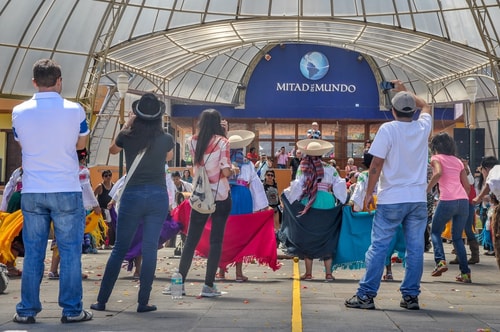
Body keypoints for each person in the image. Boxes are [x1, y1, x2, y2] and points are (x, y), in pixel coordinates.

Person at [11, 58, 93, 324]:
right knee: (69, 252)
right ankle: (71, 310)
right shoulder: (75, 110)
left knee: (34, 252)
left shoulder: (19, 111)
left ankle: (26, 310)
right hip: (66, 188)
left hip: (33, 190)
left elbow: (22, 144)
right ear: (59, 81)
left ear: (34, 82)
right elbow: (81, 144)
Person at [345, 81, 432, 310]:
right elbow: (427, 106)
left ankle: (366, 295)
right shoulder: (423, 127)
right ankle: (411, 296)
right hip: (417, 199)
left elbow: (376, 164)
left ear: (393, 111)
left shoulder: (388, 129)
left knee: (379, 247)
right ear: (413, 110)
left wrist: (367, 194)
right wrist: (405, 91)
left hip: (391, 198)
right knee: (414, 249)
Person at [90, 93, 174, 313]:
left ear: (137, 114)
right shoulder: (165, 138)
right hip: (157, 196)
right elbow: (168, 157)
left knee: (119, 248)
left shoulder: (127, 135)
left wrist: (127, 124)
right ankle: (143, 302)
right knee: (150, 249)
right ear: (157, 116)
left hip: (133, 196)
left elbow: (112, 150)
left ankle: (102, 300)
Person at [168, 108, 234, 297]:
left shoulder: (192, 141)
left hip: (199, 196)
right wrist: (225, 136)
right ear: (218, 123)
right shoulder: (223, 142)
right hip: (220, 196)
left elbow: (196, 166)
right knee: (216, 241)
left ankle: (179, 283)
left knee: (191, 240)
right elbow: (226, 171)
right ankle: (208, 285)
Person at [281, 139, 348, 282]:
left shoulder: (303, 167)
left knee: (308, 234)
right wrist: (342, 200)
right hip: (326, 200)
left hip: (309, 200)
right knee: (327, 234)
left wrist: (288, 196)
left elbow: (298, 185)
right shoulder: (330, 168)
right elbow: (339, 184)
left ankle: (309, 273)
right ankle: (328, 273)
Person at [216, 129, 270, 281]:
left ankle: (221, 271)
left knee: (224, 233)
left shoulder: (223, 162)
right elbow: (256, 184)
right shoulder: (247, 164)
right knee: (241, 234)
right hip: (243, 195)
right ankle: (239, 273)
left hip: (226, 194)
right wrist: (262, 206)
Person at [427, 133, 471, 283]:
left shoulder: (435, 158)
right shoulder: (458, 161)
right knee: (457, 237)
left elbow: (438, 173)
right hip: (463, 201)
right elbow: (467, 185)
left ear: (435, 147)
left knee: (435, 231)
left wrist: (426, 189)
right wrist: (461, 198)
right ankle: (465, 274)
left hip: (447, 200)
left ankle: (440, 261)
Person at [449, 157, 479, 265]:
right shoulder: (453, 171)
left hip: (467, 203)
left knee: (467, 229)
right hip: (457, 201)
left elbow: (470, 182)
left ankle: (475, 255)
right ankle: (459, 255)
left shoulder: (467, 171)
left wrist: (466, 170)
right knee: (457, 229)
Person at [94, 169, 115, 249]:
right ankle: (99, 244)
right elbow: (93, 196)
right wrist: (95, 206)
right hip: (101, 209)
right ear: (103, 177)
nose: (108, 177)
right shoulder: (100, 186)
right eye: (106, 176)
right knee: (101, 227)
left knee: (110, 227)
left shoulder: (113, 185)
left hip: (110, 209)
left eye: (110, 175)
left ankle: (108, 244)